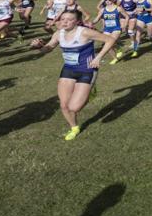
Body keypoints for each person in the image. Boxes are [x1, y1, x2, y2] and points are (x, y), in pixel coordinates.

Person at [29, 8, 119, 141]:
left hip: (87, 70)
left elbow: (110, 40)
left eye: (69, 20)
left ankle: (90, 91)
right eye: (62, 19)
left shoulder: (85, 32)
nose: (65, 22)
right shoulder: (58, 34)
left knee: (74, 107)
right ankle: (74, 127)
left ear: (77, 21)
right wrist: (38, 47)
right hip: (68, 70)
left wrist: (98, 57)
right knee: (64, 105)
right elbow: (48, 48)